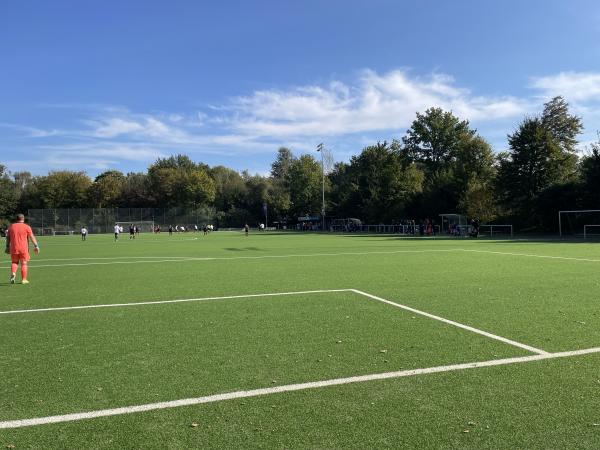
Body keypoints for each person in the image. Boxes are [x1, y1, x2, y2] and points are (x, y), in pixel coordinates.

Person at [5, 214, 39, 284]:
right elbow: (31, 237)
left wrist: (7, 246)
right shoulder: (27, 227)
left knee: (14, 262)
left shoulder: (11, 226)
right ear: (23, 219)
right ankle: (24, 279)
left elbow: (8, 238)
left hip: (14, 248)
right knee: (24, 263)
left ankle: (13, 273)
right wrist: (36, 246)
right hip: (23, 248)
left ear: (16, 219)